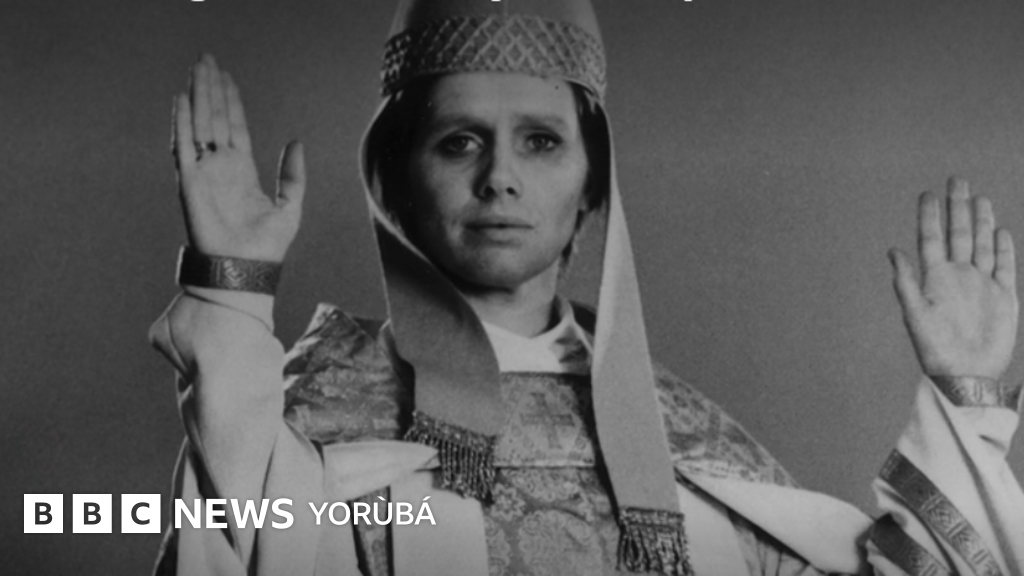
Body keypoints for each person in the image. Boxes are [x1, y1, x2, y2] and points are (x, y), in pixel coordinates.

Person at [150, 0, 1024, 574]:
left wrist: (965, 409)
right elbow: (233, 533)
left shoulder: (692, 448)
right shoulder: (307, 430)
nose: (500, 177)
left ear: (593, 184)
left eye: (540, 141)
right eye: (458, 141)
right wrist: (233, 297)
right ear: (395, 182)